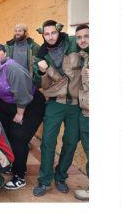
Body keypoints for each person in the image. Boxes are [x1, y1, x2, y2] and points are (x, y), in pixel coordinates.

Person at [32, 20, 84, 196]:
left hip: (76, 104)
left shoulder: (72, 42)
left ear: (59, 31)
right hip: (55, 103)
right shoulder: (40, 55)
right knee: (48, 142)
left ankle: (60, 176)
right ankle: (44, 180)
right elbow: (37, 81)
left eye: (53, 33)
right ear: (43, 35)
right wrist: (40, 71)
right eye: (46, 34)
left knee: (70, 143)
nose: (50, 37)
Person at [0, 43, 36, 191]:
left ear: (5, 53)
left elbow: (23, 92)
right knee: (7, 136)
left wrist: (20, 113)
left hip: (27, 104)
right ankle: (13, 165)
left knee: (18, 138)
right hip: (8, 105)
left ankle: (20, 176)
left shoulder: (12, 67)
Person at [73, 24, 90, 201]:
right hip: (84, 112)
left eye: (86, 36)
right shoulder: (85, 57)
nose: (82, 40)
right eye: (79, 37)